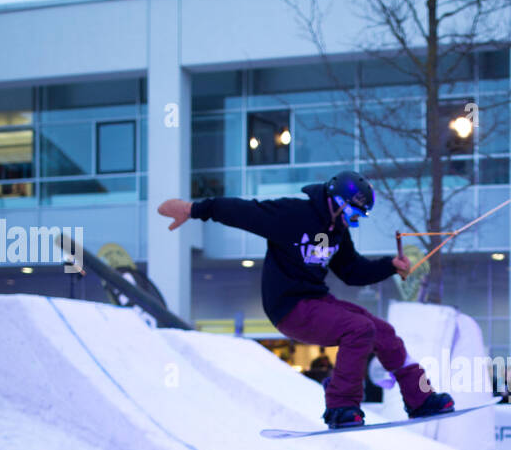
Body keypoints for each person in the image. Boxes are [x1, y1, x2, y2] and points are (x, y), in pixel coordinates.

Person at [158, 171, 453, 429]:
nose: (354, 223)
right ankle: (340, 407)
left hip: (316, 300)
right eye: (354, 215)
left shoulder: (338, 232)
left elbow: (351, 271)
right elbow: (242, 211)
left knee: (383, 332)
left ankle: (421, 399)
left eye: (360, 218)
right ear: (338, 202)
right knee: (359, 329)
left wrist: (390, 265)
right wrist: (193, 208)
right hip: (287, 307)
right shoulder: (292, 215)